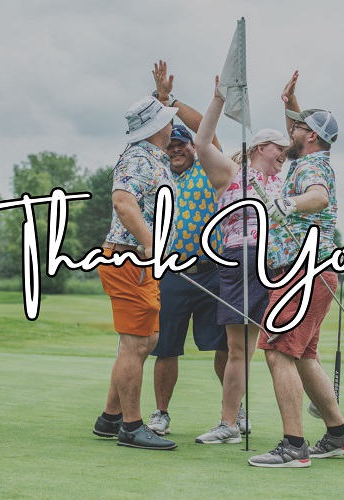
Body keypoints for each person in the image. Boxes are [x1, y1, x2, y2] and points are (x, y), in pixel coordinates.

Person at [248, 71, 344, 467]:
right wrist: (289, 103)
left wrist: (289, 204)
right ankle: (339, 435)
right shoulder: (309, 154)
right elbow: (299, 133)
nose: (287, 134)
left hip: (302, 271)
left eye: (295, 129)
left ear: (309, 136)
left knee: (278, 352)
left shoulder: (313, 167)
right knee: (304, 357)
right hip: (312, 271)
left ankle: (294, 446)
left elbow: (317, 196)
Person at [194, 76, 290, 444]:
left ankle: (310, 426)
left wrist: (288, 104)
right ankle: (229, 424)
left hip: (277, 266)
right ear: (261, 147)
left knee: (285, 350)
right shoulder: (233, 174)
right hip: (238, 260)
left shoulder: (283, 183)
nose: (284, 156)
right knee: (239, 350)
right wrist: (218, 98)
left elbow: (298, 144)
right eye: (278, 149)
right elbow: (202, 142)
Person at [144, 60, 236, 436]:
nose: (176, 150)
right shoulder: (157, 169)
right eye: (171, 144)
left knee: (225, 347)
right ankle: (161, 413)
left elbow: (205, 131)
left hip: (212, 272)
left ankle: (233, 412)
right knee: (165, 347)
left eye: (182, 144)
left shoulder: (206, 167)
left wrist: (169, 100)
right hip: (171, 274)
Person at [92, 95, 179, 450]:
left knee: (146, 341)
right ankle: (130, 427)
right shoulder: (138, 158)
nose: (173, 126)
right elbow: (123, 202)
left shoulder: (152, 158)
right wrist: (151, 244)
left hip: (139, 263)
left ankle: (110, 417)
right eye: (168, 120)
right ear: (157, 128)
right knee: (135, 344)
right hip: (130, 261)